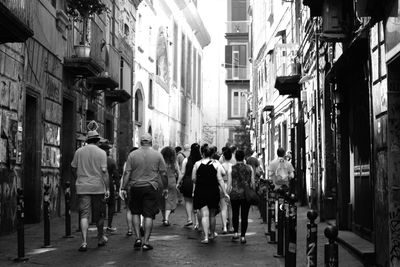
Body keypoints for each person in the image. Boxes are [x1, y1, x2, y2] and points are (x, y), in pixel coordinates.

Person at [121, 133, 168, 251]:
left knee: (135, 212)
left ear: (140, 142)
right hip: (151, 187)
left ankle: (137, 238)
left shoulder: (132, 155)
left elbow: (127, 173)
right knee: (148, 215)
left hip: (135, 187)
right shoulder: (157, 155)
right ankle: (146, 242)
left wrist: (123, 187)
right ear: (151, 142)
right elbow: (163, 173)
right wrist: (165, 187)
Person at [71, 130, 109, 252]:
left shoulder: (79, 152)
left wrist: (78, 178)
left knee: (84, 215)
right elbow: (104, 173)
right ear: (97, 141)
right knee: (99, 215)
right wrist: (107, 188)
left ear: (87, 140)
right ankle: (100, 238)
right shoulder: (102, 153)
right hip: (98, 187)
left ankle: (84, 242)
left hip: (82, 187)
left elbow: (73, 168)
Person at [192, 145, 230, 244]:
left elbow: (193, 178)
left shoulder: (197, 164)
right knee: (212, 215)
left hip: (201, 190)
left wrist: (200, 180)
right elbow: (221, 178)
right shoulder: (216, 164)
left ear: (202, 153)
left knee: (204, 214)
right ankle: (212, 234)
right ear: (211, 154)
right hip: (213, 190)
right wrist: (225, 193)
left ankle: (205, 237)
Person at [228, 149, 255, 244]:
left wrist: (227, 193)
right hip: (245, 194)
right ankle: (243, 236)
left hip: (234, 194)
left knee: (235, 214)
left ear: (235, 157)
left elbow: (229, 183)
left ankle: (235, 233)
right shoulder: (249, 168)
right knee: (244, 216)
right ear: (244, 157)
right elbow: (252, 183)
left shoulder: (231, 168)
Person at [176, 143, 202, 229]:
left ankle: (189, 219)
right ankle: (197, 222)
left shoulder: (186, 160)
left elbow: (182, 172)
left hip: (188, 182)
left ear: (191, 150)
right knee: (198, 202)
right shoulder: (202, 160)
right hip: (198, 182)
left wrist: (178, 182)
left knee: (188, 201)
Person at [98, 139, 119, 233]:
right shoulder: (111, 161)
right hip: (109, 183)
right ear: (105, 151)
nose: (109, 151)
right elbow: (116, 176)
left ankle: (99, 227)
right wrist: (117, 188)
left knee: (100, 205)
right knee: (111, 205)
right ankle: (109, 225)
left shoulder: (96, 160)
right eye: (108, 150)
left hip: (98, 183)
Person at [119, 147, 138, 236]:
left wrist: (122, 188)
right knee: (140, 208)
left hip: (129, 186)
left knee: (129, 209)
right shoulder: (142, 161)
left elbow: (124, 175)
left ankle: (130, 229)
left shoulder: (127, 163)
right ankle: (139, 227)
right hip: (140, 185)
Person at [160, 146, 181, 226]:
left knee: (162, 200)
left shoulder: (160, 161)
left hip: (161, 181)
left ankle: (164, 217)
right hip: (171, 181)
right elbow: (178, 172)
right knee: (170, 200)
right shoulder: (174, 162)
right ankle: (166, 219)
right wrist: (178, 182)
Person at [246, 151, 265, 222]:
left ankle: (250, 201)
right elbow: (258, 168)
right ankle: (255, 202)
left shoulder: (248, 159)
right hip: (254, 176)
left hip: (248, 176)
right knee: (255, 189)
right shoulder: (255, 160)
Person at [220, 147, 233, 234]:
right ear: (231, 157)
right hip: (231, 186)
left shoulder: (220, 166)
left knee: (223, 208)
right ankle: (231, 227)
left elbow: (218, 178)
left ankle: (224, 227)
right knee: (231, 208)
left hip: (222, 187)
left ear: (223, 157)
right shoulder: (233, 166)